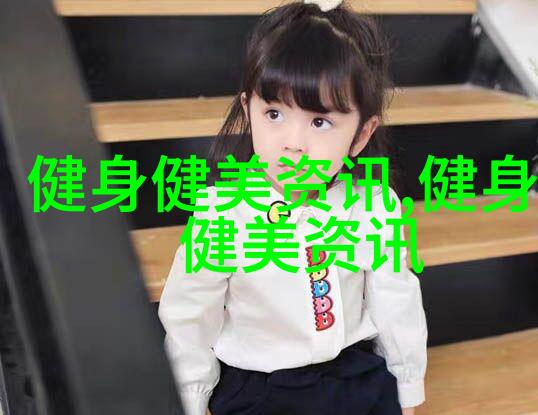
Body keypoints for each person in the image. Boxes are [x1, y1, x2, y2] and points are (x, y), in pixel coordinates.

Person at [158, 1, 428, 414]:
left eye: (320, 122)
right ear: (248, 110)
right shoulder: (223, 212)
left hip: (348, 372)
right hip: (259, 382)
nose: (293, 144)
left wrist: (408, 388)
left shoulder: (372, 207)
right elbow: (190, 315)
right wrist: (191, 398)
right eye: (274, 114)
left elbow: (396, 300)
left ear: (360, 135)